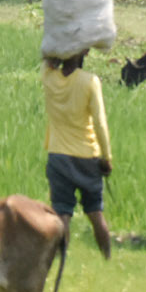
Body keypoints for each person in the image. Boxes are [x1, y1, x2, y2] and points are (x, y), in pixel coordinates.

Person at [42, 49, 113, 260]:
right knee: (95, 213)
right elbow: (100, 123)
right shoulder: (90, 81)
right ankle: (107, 258)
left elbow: (45, 57)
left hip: (58, 155)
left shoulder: (48, 77)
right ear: (85, 53)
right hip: (87, 156)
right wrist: (106, 157)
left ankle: (60, 262)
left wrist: (52, 58)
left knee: (62, 213)